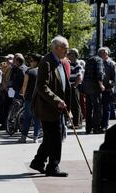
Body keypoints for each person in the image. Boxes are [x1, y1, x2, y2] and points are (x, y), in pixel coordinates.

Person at [29, 36, 71, 177]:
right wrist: (57, 100)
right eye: (65, 48)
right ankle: (53, 166)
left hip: (55, 107)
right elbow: (42, 86)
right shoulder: (46, 62)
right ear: (56, 48)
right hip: (48, 107)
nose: (67, 51)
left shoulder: (58, 61)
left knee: (49, 137)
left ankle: (38, 162)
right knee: (55, 137)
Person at [18, 53, 42, 143]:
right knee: (37, 118)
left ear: (36, 62)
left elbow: (24, 85)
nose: (30, 63)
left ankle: (23, 137)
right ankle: (36, 137)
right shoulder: (42, 71)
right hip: (39, 97)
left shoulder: (29, 71)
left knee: (27, 117)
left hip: (29, 97)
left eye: (31, 61)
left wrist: (23, 94)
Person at [82, 54, 105, 134]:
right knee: (97, 108)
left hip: (87, 86)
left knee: (88, 108)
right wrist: (101, 84)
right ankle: (96, 128)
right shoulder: (99, 60)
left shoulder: (89, 59)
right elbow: (100, 73)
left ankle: (88, 128)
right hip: (95, 86)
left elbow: (85, 73)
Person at [99, 47, 116, 130]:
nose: (103, 54)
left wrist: (110, 86)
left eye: (105, 52)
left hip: (107, 89)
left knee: (106, 108)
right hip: (98, 89)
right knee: (98, 107)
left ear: (108, 53)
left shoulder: (111, 63)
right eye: (101, 53)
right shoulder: (97, 62)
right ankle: (98, 124)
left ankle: (105, 125)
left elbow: (114, 77)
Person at [67, 48, 84, 128]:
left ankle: (77, 123)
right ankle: (76, 122)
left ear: (75, 55)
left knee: (75, 105)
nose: (68, 55)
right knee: (71, 104)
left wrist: (74, 86)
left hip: (73, 86)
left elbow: (79, 77)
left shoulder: (77, 65)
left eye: (70, 54)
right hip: (69, 86)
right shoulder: (69, 64)